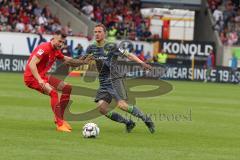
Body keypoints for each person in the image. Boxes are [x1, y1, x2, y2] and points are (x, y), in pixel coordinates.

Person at [84, 24, 155, 133]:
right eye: (95, 32)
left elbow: (129, 55)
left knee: (122, 106)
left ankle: (146, 119)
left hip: (114, 79)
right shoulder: (91, 47)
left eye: (99, 32)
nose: (97, 34)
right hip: (103, 81)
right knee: (102, 109)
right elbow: (82, 59)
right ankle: (128, 122)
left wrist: (142, 63)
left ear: (105, 33)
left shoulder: (112, 46)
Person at [24, 31, 92, 132]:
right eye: (59, 41)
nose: (61, 44)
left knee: (67, 88)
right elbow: (32, 64)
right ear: (53, 38)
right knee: (53, 93)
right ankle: (60, 125)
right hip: (32, 78)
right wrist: (39, 80)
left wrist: (82, 62)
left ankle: (60, 119)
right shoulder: (44, 48)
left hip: (43, 77)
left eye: (63, 42)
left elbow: (68, 61)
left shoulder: (56, 51)